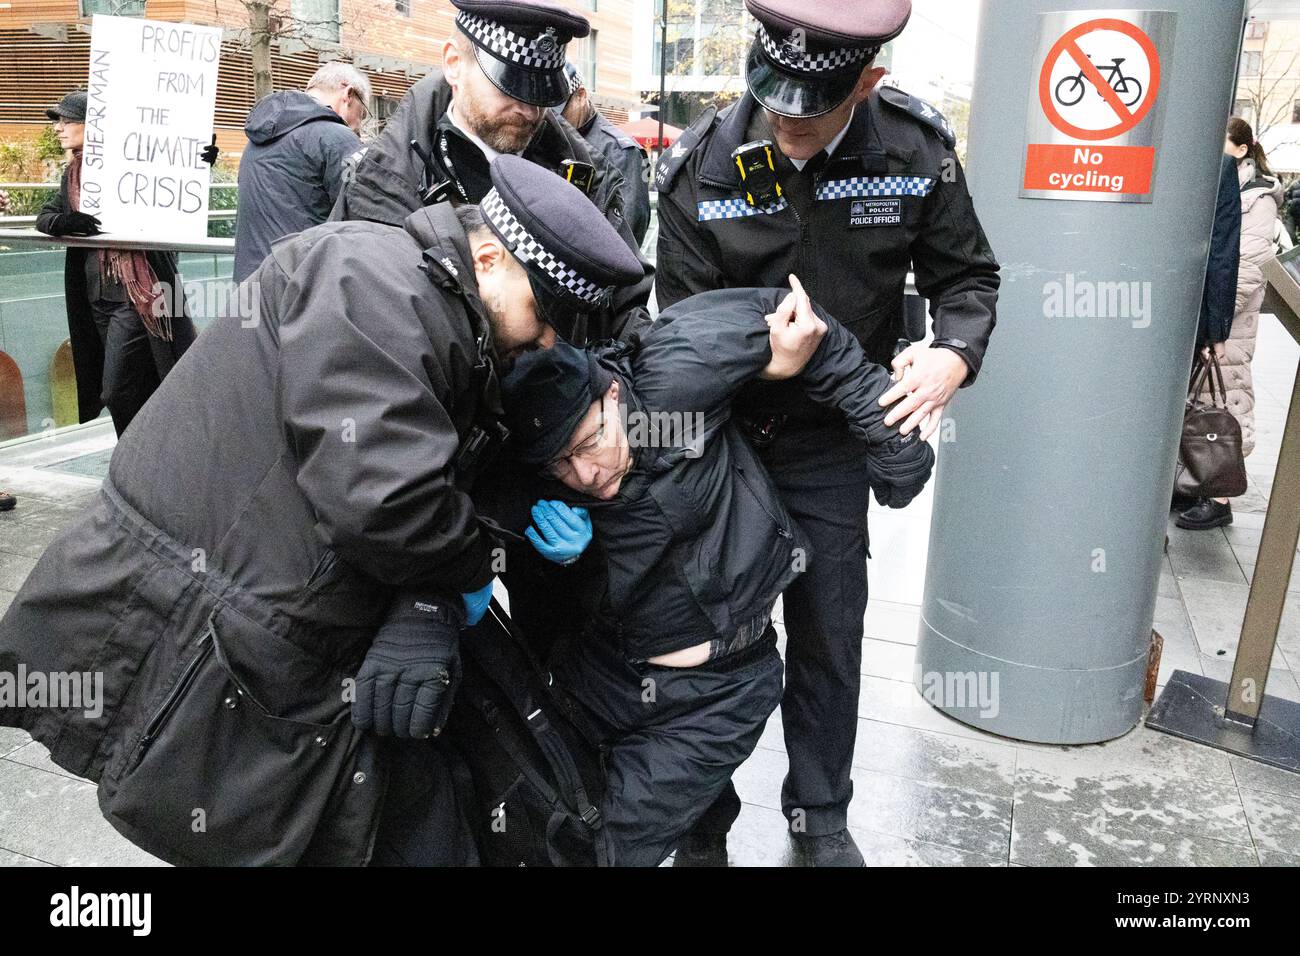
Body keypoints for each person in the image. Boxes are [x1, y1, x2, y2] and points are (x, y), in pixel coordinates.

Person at [0, 156, 645, 866]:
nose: (545, 340)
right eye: (544, 316)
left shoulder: (430, 301)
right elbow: (385, 498)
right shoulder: (372, 281)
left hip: (260, 619)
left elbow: (424, 468)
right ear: (489, 257)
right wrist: (459, 577)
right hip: (202, 623)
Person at [654, 0, 1000, 866]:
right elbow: (681, 330)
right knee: (707, 636)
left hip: (831, 443)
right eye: (776, 103)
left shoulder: (915, 153)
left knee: (828, 634)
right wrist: (760, 364)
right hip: (725, 434)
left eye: (814, 108)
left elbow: (970, 277)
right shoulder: (704, 164)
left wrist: (954, 354)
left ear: (870, 82)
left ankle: (818, 815)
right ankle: (701, 821)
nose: (791, 124)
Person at [498, 281, 936, 866]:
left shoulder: (676, 372)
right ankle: (701, 842)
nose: (585, 472)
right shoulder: (540, 476)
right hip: (604, 676)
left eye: (592, 440)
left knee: (604, 851)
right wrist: (556, 561)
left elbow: (803, 322)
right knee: (524, 822)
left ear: (612, 395)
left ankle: (744, 830)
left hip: (721, 688)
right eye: (562, 464)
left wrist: (890, 436)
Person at [330, 0, 652, 344]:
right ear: (454, 63)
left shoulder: (586, 175)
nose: (529, 110)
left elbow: (627, 314)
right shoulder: (384, 180)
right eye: (510, 85)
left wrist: (603, 379)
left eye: (541, 91)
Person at [35, 91, 200, 437]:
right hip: (96, 296)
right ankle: (141, 461)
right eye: (59, 122)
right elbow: (46, 216)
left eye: (67, 121)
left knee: (116, 388)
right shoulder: (73, 175)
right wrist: (68, 222)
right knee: (133, 386)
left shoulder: (131, 165)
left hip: (136, 295)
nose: (59, 129)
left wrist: (200, 160)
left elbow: (173, 183)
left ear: (91, 124)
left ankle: (137, 459)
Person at [1178, 118, 1284, 530]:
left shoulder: (1258, 198)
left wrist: (1215, 322)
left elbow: (1247, 265)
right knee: (1200, 398)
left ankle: (1219, 494)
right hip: (1214, 308)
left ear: (1241, 149)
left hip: (1229, 315)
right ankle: (1195, 478)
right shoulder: (1224, 183)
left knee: (1227, 398)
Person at [233, 62, 370, 283]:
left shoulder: (256, 140)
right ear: (348, 94)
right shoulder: (336, 137)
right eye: (362, 114)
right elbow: (366, 219)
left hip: (250, 289)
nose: (358, 126)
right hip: (301, 292)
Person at [555, 62, 652, 247]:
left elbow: (628, 233)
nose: (555, 120)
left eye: (559, 112)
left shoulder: (622, 152)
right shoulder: (551, 138)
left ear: (580, 96)